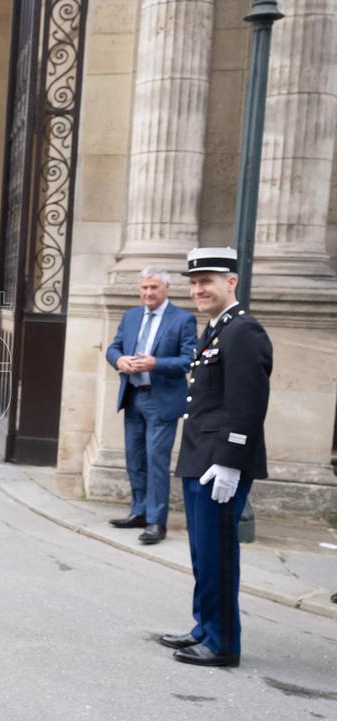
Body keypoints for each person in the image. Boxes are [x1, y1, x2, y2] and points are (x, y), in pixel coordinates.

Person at [159, 247, 272, 668]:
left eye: (207, 280)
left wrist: (229, 460)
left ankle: (223, 643)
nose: (198, 289)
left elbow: (247, 403)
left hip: (218, 462)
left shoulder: (243, 331)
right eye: (193, 282)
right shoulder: (217, 329)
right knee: (203, 552)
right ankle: (206, 626)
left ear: (231, 282)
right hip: (200, 458)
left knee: (218, 552)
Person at [105, 267, 197, 545]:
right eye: (144, 288)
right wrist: (119, 361)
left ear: (166, 289)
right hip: (133, 396)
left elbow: (188, 360)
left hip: (162, 400)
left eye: (154, 287)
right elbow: (114, 347)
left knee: (156, 461)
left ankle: (157, 522)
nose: (148, 293)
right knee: (135, 458)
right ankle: (139, 511)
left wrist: (156, 364)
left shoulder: (183, 319)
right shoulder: (131, 316)